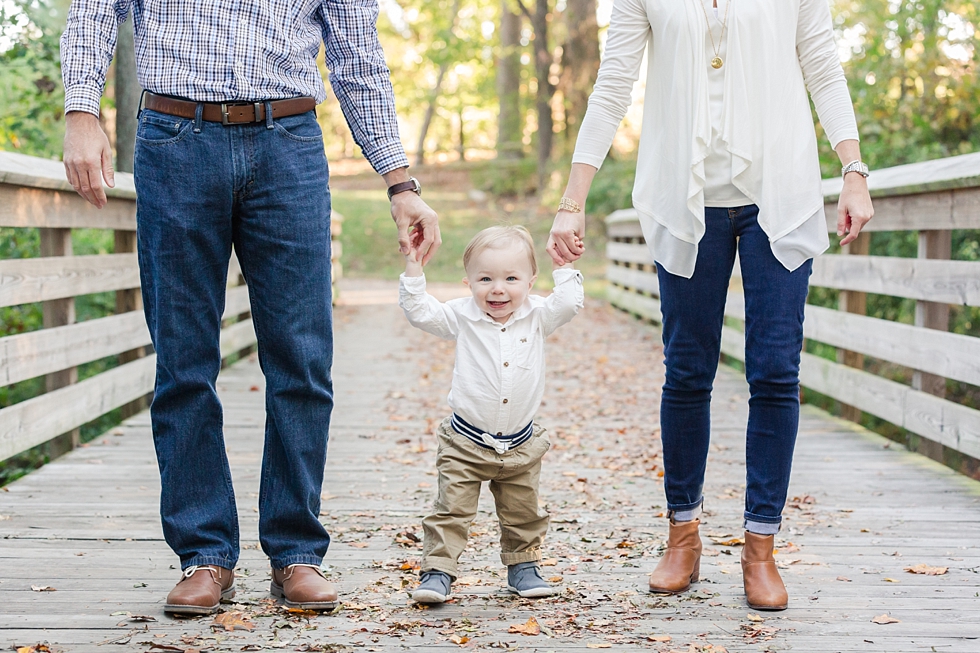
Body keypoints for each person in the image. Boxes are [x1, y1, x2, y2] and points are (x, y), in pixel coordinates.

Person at [60, 0, 440, 615]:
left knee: (302, 360)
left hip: (287, 144)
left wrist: (399, 183)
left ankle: (296, 552)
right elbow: (95, 9)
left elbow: (356, 56)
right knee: (183, 363)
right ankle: (203, 554)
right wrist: (82, 110)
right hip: (175, 140)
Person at [548, 0, 874, 611]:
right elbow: (614, 81)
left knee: (776, 370)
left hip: (778, 189)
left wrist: (852, 169)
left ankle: (761, 545)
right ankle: (683, 534)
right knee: (688, 370)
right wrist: (573, 197)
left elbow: (822, 65)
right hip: (686, 194)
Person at [398, 226, 583, 603]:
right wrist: (414, 266)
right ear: (468, 282)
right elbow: (420, 311)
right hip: (465, 441)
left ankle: (523, 567)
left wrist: (564, 268)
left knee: (523, 510)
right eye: (485, 279)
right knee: (451, 509)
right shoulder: (462, 317)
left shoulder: (537, 316)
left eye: (511, 278)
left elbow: (568, 304)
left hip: (520, 443)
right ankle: (437, 571)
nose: (498, 289)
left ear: (531, 281)